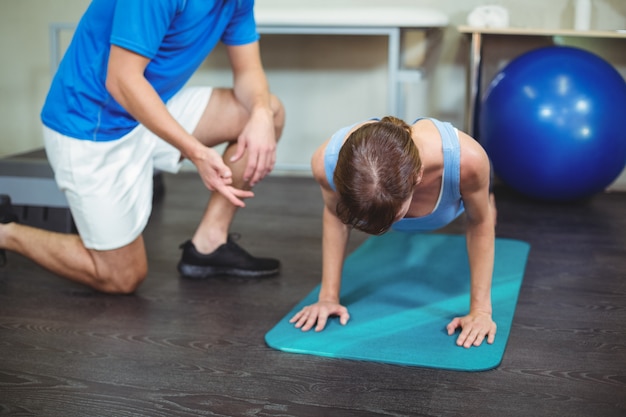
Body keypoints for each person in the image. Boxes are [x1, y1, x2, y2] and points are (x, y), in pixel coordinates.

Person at [0, 0, 285, 293]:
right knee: (122, 276)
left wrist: (261, 113)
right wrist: (195, 151)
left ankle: (209, 244)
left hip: (149, 107)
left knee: (268, 112)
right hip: (91, 125)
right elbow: (121, 80)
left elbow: (249, 71)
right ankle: (5, 233)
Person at [289, 116, 497, 349]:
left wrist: (481, 310)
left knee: (484, 210)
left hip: (454, 197)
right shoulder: (325, 163)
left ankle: (485, 197)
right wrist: (327, 298)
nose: (382, 226)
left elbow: (479, 224)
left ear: (417, 177)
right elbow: (335, 218)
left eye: (393, 217)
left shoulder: (466, 160)